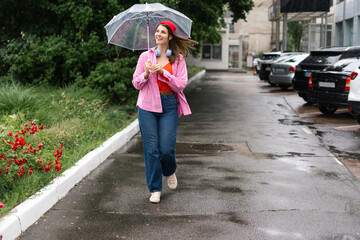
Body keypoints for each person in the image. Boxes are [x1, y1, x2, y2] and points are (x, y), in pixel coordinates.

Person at [132, 21, 198, 203]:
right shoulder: (146, 56)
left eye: (163, 32)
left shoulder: (177, 58)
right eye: (157, 31)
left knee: (166, 149)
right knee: (151, 150)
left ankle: (169, 170)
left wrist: (163, 72)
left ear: (170, 37)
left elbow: (180, 85)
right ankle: (155, 189)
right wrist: (145, 73)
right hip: (147, 106)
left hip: (169, 104)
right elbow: (136, 83)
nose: (158, 34)